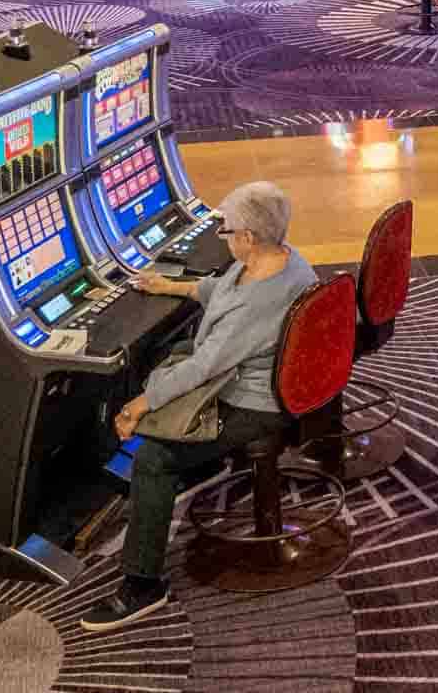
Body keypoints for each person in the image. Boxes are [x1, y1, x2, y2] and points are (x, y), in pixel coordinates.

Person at [80, 181, 317, 632]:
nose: (222, 238)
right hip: (255, 377)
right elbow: (218, 291)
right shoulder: (280, 260)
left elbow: (206, 366)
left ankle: (142, 586)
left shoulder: (258, 299)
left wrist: (137, 405)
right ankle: (200, 462)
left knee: (153, 458)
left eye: (226, 231)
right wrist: (168, 285)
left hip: (253, 403)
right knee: (171, 355)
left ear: (247, 236)